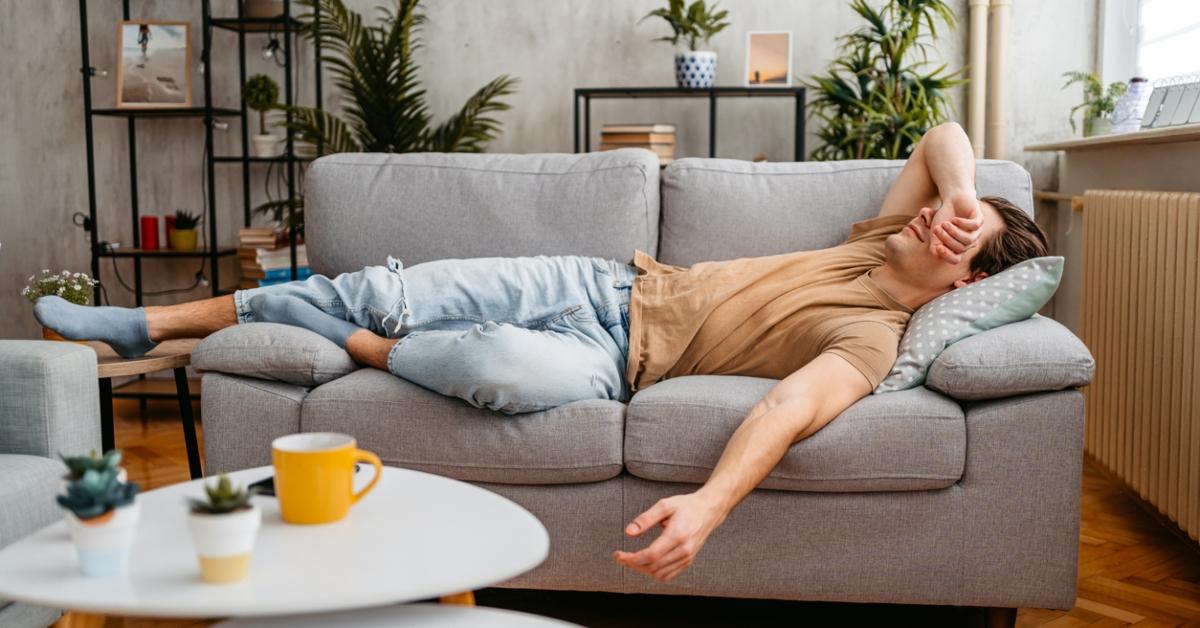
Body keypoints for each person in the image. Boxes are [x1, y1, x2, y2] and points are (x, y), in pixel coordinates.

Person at [35, 121, 1048, 581]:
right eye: (945, 214)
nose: (937, 223)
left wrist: (708, 501)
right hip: (604, 283)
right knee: (397, 285)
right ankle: (153, 324)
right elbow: (943, 133)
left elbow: (784, 409)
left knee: (496, 371)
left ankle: (341, 335)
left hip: (615, 368)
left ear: (965, 281)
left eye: (960, 234)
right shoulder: (882, 234)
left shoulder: (872, 339)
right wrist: (964, 196)